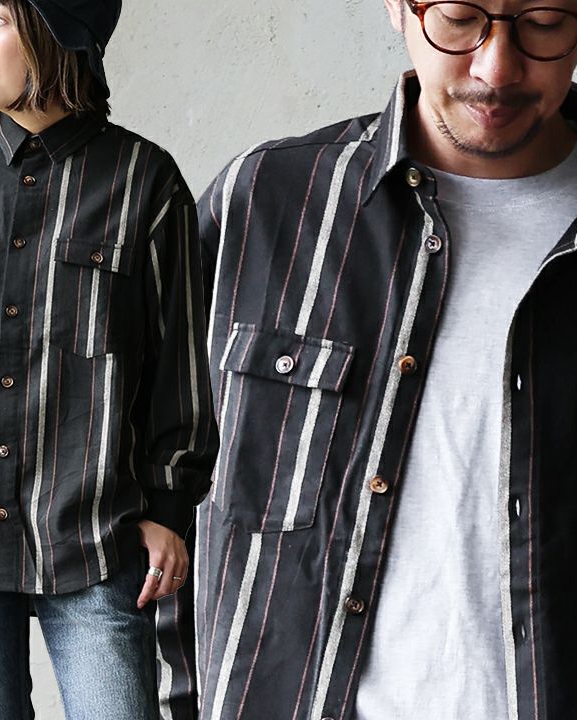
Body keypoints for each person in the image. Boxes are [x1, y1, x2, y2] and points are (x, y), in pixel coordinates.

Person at [187, 1, 577, 718]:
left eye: (545, 21)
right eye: (458, 17)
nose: (497, 68)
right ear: (398, 6)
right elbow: (144, 487)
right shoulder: (263, 204)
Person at [0, 1, 218, 718]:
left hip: (92, 532)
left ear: (58, 32)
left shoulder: (144, 180)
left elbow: (179, 364)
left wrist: (170, 508)